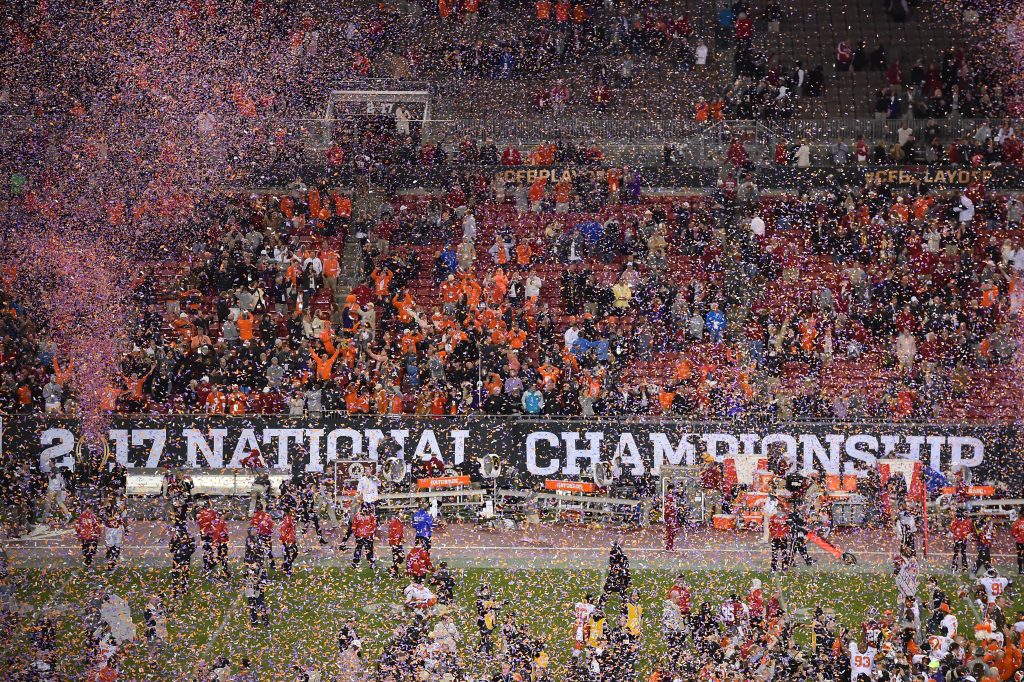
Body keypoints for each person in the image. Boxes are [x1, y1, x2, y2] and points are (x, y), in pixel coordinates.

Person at [195, 498, 219, 576]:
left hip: (205, 534)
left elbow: (201, 525)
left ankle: (208, 566)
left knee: (206, 551)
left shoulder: (201, 514)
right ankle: (211, 565)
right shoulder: (212, 512)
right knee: (211, 550)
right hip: (213, 534)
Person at [603, 541, 630, 605]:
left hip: (618, 577)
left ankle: (626, 605)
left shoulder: (619, 557)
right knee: (611, 591)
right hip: (617, 576)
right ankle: (626, 605)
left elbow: (625, 567)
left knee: (620, 592)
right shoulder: (619, 556)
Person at [351, 504, 377, 569]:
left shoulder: (357, 515)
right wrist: (372, 534)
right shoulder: (371, 516)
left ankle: (355, 563)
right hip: (368, 536)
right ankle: (371, 563)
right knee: (369, 550)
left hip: (359, 535)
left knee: (358, 549)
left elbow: (354, 526)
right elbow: (374, 526)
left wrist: (356, 534)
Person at [103, 500, 126, 570]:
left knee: (117, 544)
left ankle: (115, 557)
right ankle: (110, 557)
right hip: (109, 529)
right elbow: (104, 518)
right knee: (110, 544)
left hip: (117, 529)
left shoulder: (119, 510)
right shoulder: (104, 510)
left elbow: (123, 517)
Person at [279, 510, 298, 576]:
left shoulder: (291, 521)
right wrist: (285, 541)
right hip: (288, 541)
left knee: (288, 555)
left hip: (291, 540)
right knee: (292, 553)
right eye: (293, 515)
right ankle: (286, 569)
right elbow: (283, 531)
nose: (295, 516)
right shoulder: (288, 521)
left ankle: (286, 568)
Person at [1012, 510, 1024, 574]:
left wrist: (1019, 537)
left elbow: (1013, 533)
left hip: (1020, 543)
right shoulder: (1017, 522)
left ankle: (1020, 570)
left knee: (1020, 556)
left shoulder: (1017, 522)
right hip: (1020, 542)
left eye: (1019, 514)